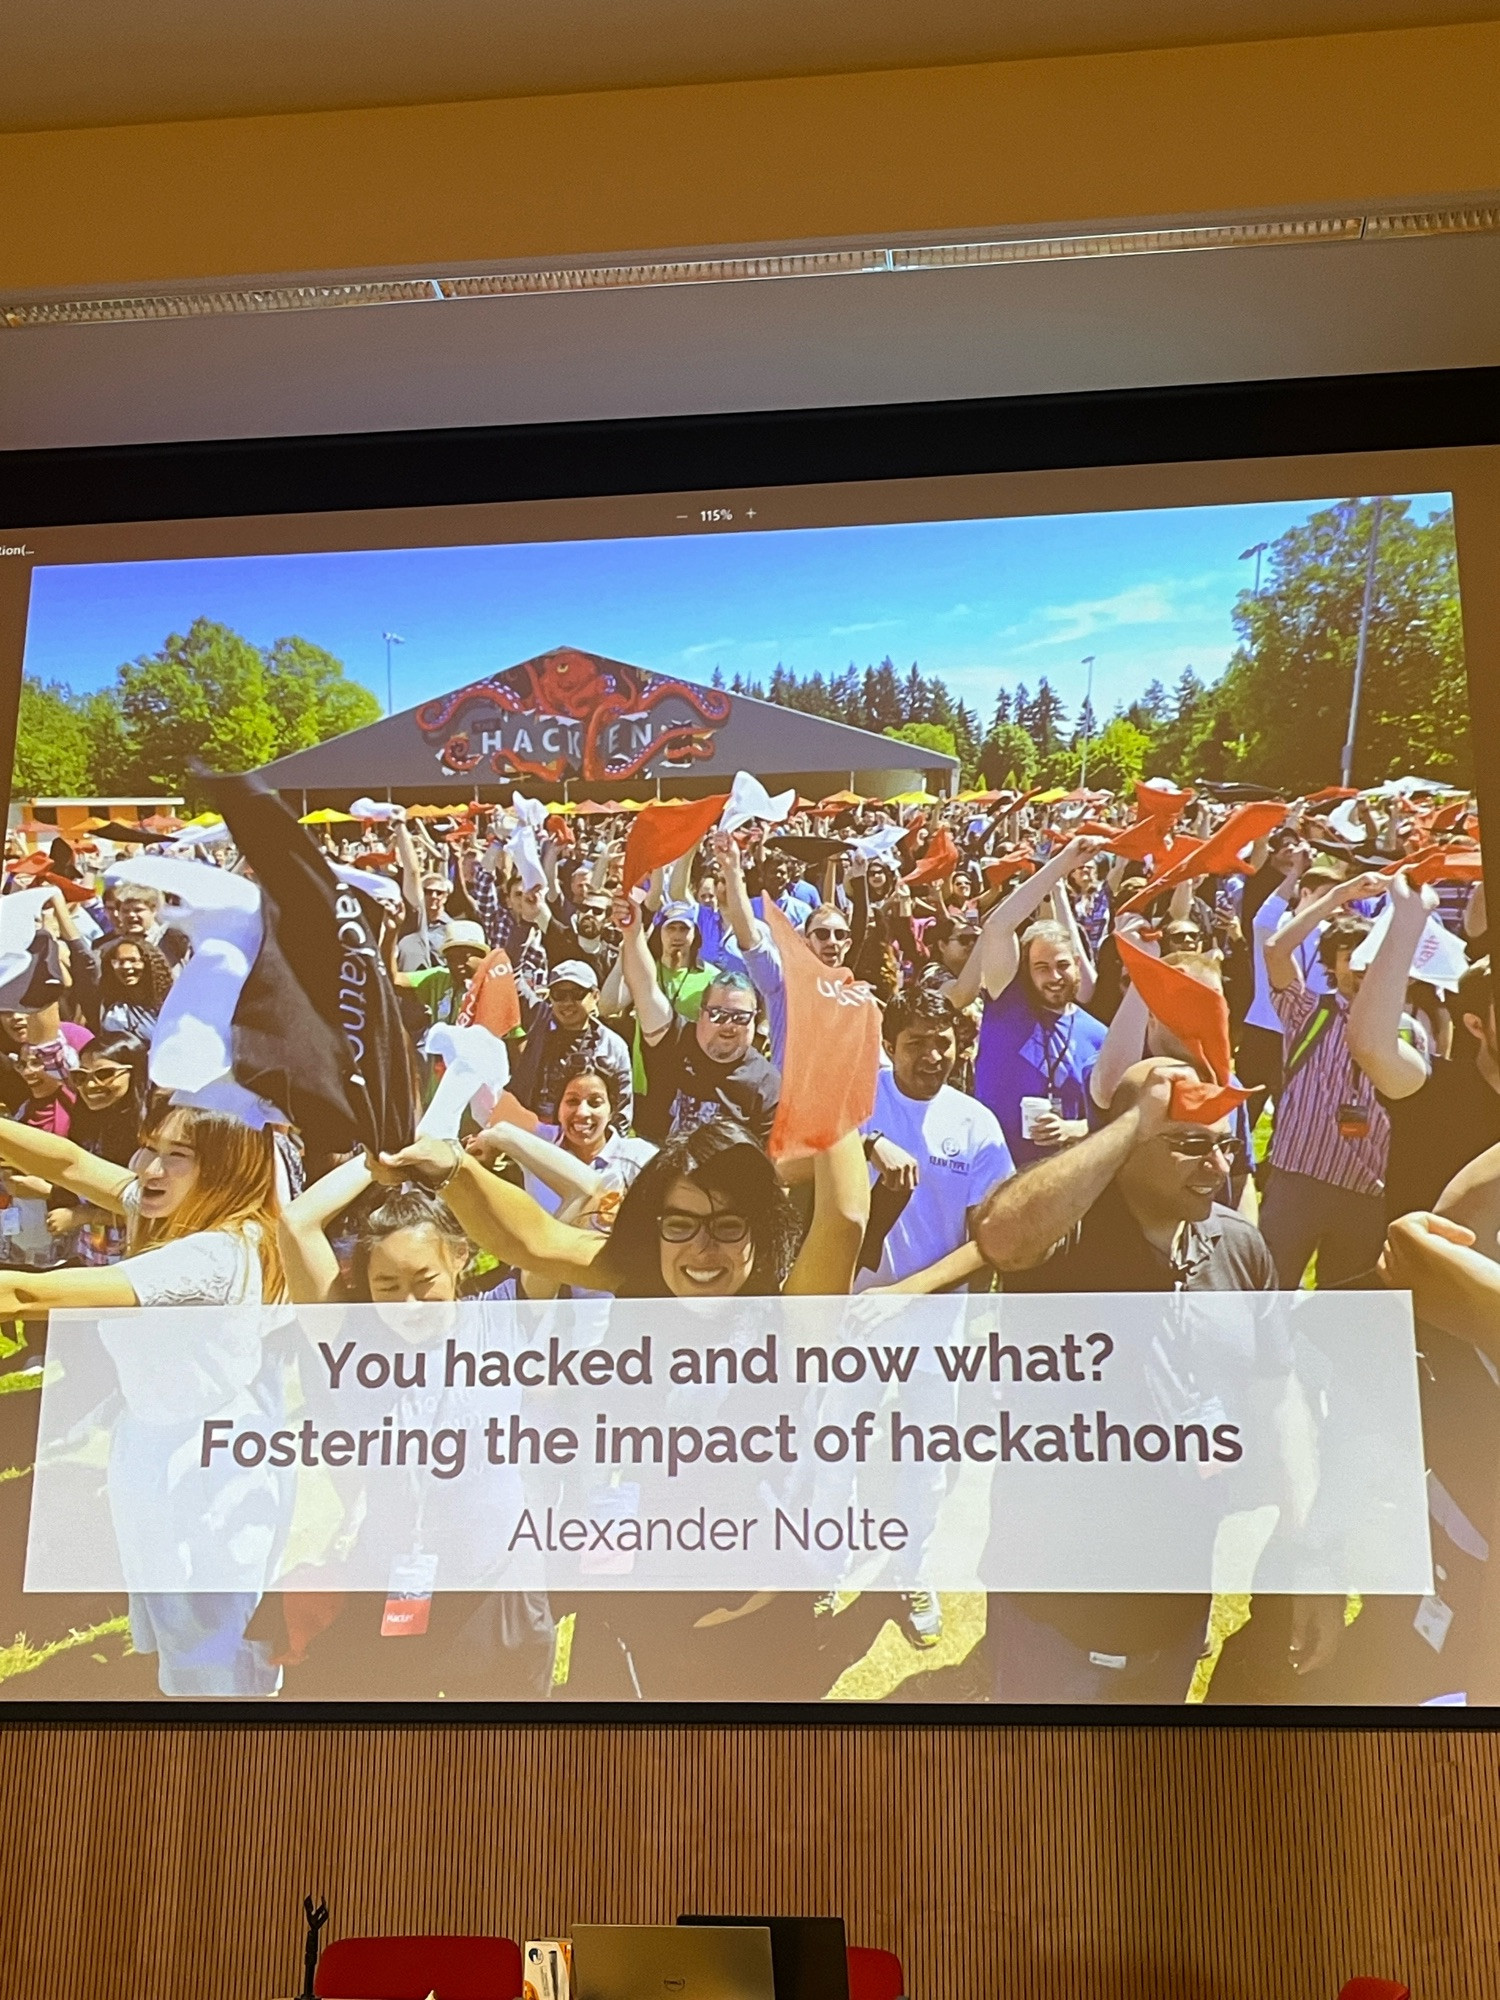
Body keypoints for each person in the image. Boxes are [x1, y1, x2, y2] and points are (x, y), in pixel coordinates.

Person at [369, 1115, 871, 1700]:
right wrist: (454, 1168)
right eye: (679, 1224)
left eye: (727, 1226)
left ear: (757, 1230)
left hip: (747, 1642)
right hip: (629, 1619)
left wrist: (837, 1072)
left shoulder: (789, 1326)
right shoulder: (640, 1286)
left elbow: (844, 1218)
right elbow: (530, 1239)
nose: (701, 1249)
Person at [973, 1059, 1295, 1704]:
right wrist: (1134, 1119)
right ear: (1123, 1142)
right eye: (1190, 1143)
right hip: (1053, 1614)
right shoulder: (1065, 1240)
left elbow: (1277, 1393)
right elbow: (1001, 1235)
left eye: (1225, 1143)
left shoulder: (1241, 1248)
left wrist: (1301, 1538)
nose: (1219, 1166)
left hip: (1175, 1610)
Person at [0, 1104, 290, 1696]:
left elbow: (27, 1291)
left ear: (228, 1169)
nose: (148, 1169)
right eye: (147, 1147)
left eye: (176, 1156)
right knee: (183, 1627)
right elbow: (70, 1161)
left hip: (206, 1465)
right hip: (158, 1443)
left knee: (211, 1641)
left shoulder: (215, 1252)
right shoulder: (180, 1202)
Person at [1258, 872, 1393, 1287]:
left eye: (1369, 956)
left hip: (1368, 1190)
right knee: (1268, 1297)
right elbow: (1276, 949)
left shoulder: (1406, 1028)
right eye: (1347, 955)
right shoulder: (1308, 1012)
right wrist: (1339, 895)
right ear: (1331, 964)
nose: (1359, 966)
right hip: (1298, 1180)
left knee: (1345, 1310)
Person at [945, 834, 1107, 1169]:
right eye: (1041, 967)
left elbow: (1117, 1119)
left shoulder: (1097, 1034)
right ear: (1026, 971)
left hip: (1061, 1176)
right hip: (991, 1168)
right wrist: (1062, 864)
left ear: (1077, 965)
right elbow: (997, 927)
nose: (1054, 976)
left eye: (1062, 965)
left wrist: (1072, 1129)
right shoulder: (1007, 1004)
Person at [1347, 873, 1500, 1219]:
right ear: (1475, 1026)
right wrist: (1409, 918)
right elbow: (1371, 1046)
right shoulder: (1437, 1090)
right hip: (1424, 1271)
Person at [858, 986, 1013, 1293]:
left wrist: (904, 1293)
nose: (933, 1056)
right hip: (854, 1308)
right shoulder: (857, 1100)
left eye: (943, 1043)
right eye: (915, 1044)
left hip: (938, 1319)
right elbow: (787, 1167)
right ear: (889, 1047)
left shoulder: (976, 1122)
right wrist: (867, 1145)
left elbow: (990, 1236)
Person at [613, 894, 779, 1148]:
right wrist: (633, 932)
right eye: (718, 1014)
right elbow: (645, 988)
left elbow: (771, 1161)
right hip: (662, 1168)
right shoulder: (677, 1040)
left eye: (740, 1017)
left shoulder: (765, 1082)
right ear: (701, 1014)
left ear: (755, 1020)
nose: (728, 1025)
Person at [508, 958, 634, 1128]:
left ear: (595, 996)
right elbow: (511, 974)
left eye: (577, 994)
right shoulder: (538, 1022)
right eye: (559, 995)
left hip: (583, 1135)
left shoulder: (612, 1045)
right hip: (532, 1133)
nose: (567, 1002)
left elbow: (622, 1107)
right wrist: (522, 930)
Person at [95, 935, 173, 1041]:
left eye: (133, 960)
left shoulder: (174, 998)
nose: (126, 967)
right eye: (119, 962)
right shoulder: (118, 1015)